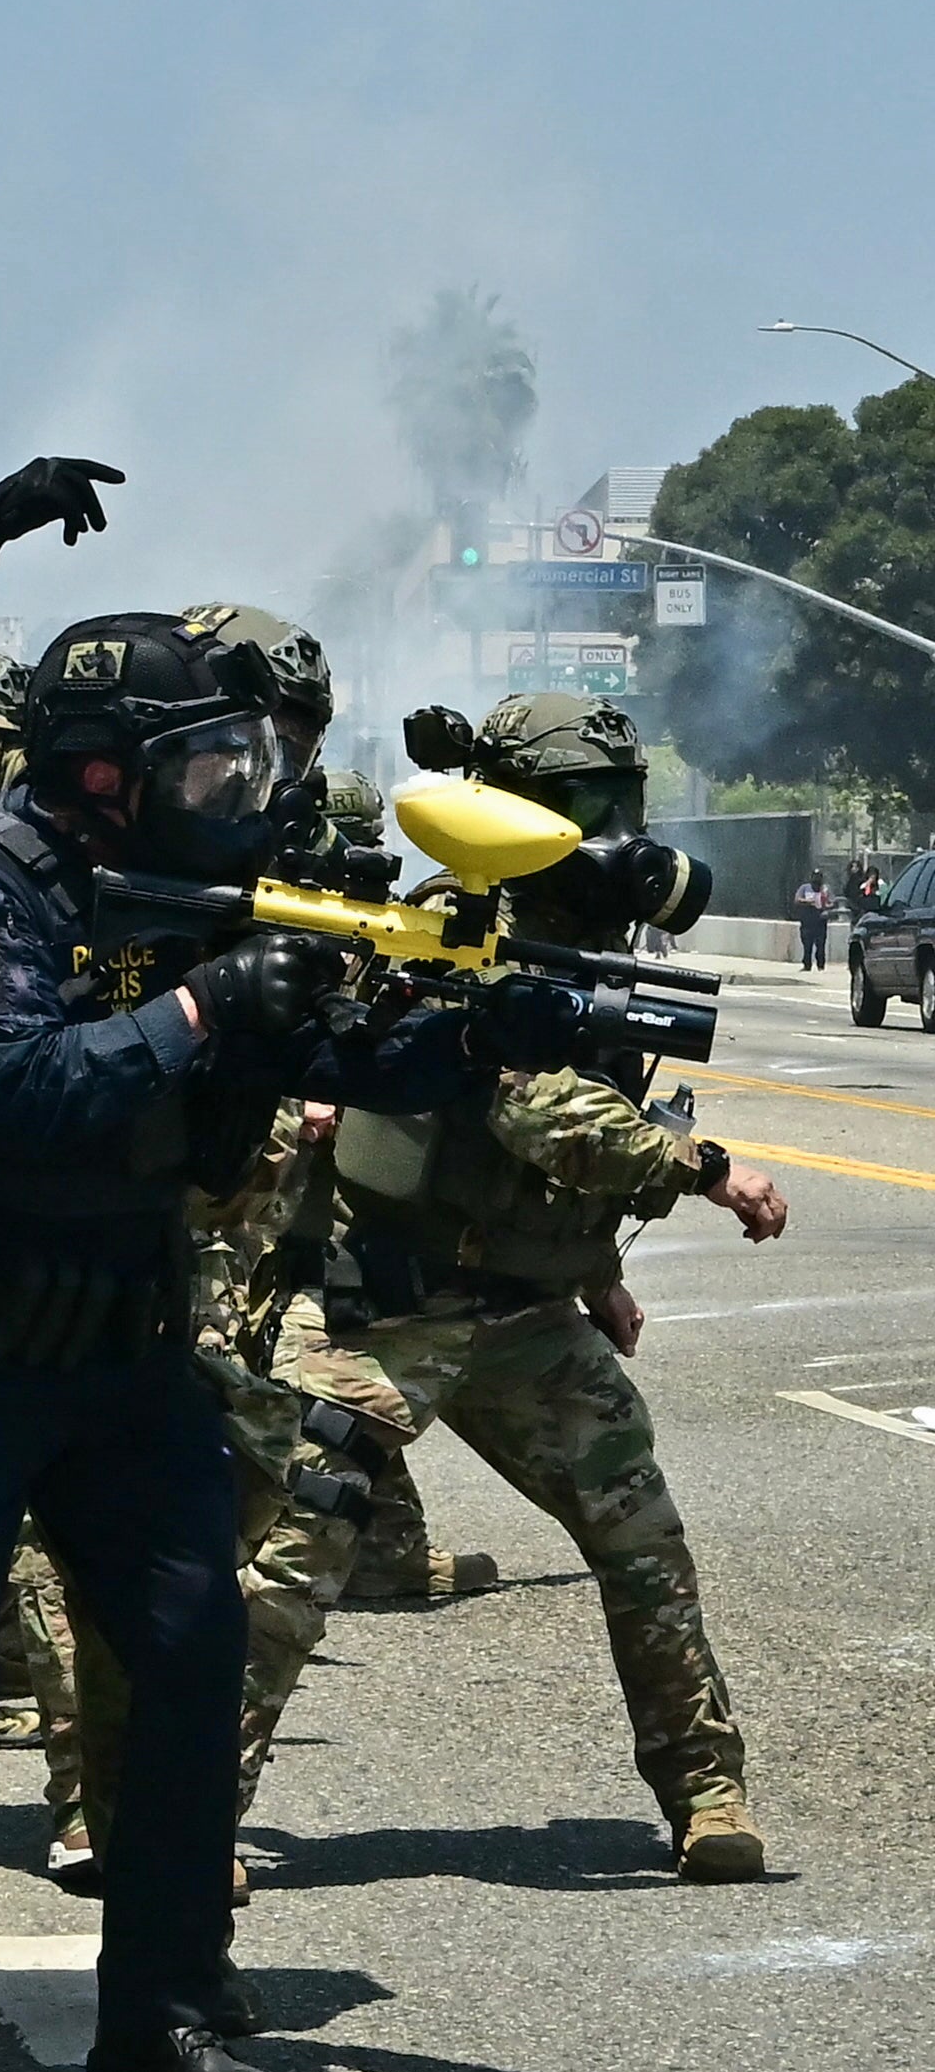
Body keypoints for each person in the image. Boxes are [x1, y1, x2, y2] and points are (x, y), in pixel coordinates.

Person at [0, 608, 568, 2072]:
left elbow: (317, 1056)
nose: (240, 786)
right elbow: (19, 1084)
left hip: (127, 1348)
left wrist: (468, 1038)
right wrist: (206, 1005)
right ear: (97, 775)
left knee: (190, 1652)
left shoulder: (204, 891)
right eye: (208, 760)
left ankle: (161, 2009)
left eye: (250, 758)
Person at [242, 692, 782, 1881]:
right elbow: (538, 1111)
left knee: (642, 1542)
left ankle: (704, 1792)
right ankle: (182, 1817)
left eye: (618, 802)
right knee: (294, 1559)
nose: (613, 829)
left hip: (524, 1313)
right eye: (586, 804)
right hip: (386, 1305)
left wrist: (591, 1273)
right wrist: (706, 1168)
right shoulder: (453, 931)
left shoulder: (585, 939)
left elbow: (546, 1158)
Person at [797, 868, 832, 969]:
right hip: (807, 920)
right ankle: (807, 964)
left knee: (820, 945)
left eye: (819, 877)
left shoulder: (825, 889)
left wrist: (825, 905)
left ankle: (820, 964)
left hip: (820, 921)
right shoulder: (805, 888)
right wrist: (808, 901)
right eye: (815, 876)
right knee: (807, 944)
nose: (816, 879)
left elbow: (832, 902)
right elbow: (797, 899)